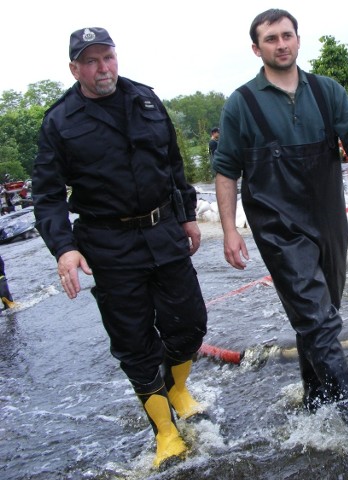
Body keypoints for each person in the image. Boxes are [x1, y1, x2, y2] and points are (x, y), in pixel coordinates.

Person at [32, 27, 208, 469]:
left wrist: (187, 214)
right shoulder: (59, 122)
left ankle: (179, 388)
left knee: (190, 324)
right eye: (90, 61)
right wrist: (64, 249)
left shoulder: (146, 100)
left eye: (107, 57)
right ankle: (166, 433)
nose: (102, 67)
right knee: (134, 343)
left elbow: (172, 162)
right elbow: (48, 196)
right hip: (107, 245)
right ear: (75, 69)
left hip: (164, 229)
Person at [212, 9, 348, 456]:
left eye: (287, 35)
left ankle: (315, 399)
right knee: (321, 319)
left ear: (298, 40)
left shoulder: (326, 91)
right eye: (271, 38)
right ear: (257, 48)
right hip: (277, 227)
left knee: (322, 314)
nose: (281, 44)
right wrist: (231, 230)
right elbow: (226, 171)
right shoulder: (241, 104)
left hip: (328, 219)